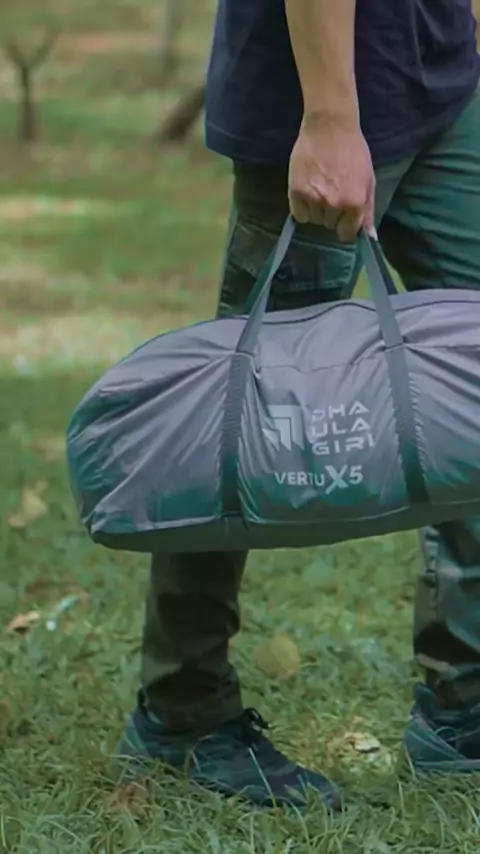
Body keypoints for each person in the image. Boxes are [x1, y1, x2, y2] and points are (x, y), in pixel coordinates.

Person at [118, 0, 480, 810]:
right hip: (323, 104)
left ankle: (465, 709)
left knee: (474, 393)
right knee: (241, 418)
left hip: (441, 79)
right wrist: (329, 117)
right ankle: (183, 709)